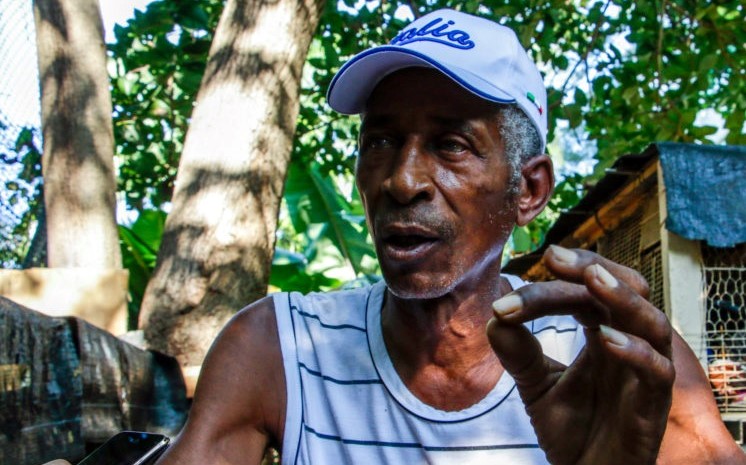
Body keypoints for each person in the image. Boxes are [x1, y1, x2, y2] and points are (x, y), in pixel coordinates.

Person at [152, 9, 744, 465]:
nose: (402, 180)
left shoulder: (619, 364)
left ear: (529, 191)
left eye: (451, 145)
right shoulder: (277, 349)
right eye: (380, 141)